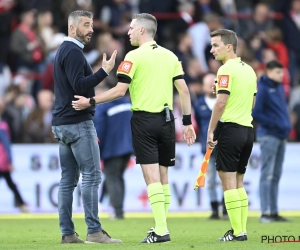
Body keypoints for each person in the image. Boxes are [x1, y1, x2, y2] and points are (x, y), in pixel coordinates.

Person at [72, 13, 197, 243]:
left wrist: (90, 101)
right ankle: (162, 225)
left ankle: (161, 231)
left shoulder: (133, 57)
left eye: (131, 28)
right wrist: (187, 123)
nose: (128, 32)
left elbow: (120, 91)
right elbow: (185, 91)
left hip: (144, 121)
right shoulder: (170, 56)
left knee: (152, 179)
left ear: (142, 30)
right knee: (164, 177)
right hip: (168, 121)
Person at [51, 10, 121, 244]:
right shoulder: (72, 52)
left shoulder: (64, 50)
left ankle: (68, 233)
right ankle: (94, 231)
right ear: (72, 28)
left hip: (63, 123)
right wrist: (104, 71)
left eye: (91, 24)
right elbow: (79, 85)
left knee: (67, 181)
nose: (91, 29)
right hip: (77, 122)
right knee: (91, 177)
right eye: (86, 25)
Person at [207, 29, 257, 241]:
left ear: (229, 46)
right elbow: (252, 101)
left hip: (230, 130)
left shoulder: (225, 70)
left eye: (216, 45)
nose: (212, 50)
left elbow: (221, 102)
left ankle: (238, 232)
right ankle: (241, 229)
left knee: (227, 183)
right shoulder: (249, 69)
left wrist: (211, 129)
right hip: (247, 130)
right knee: (238, 182)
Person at [252, 60, 292, 223]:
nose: (281, 75)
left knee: (275, 175)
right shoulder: (263, 88)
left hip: (281, 135)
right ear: (268, 72)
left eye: (281, 72)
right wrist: (274, 123)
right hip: (269, 135)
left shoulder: (279, 88)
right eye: (277, 72)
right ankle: (265, 212)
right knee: (267, 174)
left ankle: (274, 211)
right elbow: (255, 112)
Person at [194, 73, 228, 220]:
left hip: (224, 145)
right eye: (208, 84)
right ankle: (215, 209)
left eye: (213, 83)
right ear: (203, 86)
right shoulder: (199, 103)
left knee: (226, 178)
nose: (211, 86)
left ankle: (227, 208)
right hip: (207, 147)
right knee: (211, 179)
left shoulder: (224, 101)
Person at [94, 94, 133, 220]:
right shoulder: (128, 103)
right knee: (119, 178)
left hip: (112, 148)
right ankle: (119, 211)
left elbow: (99, 130)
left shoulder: (103, 107)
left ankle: (118, 212)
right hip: (128, 147)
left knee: (112, 178)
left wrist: (97, 151)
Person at [0, 99, 28, 213]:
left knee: (10, 182)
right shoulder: (3, 125)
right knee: (10, 183)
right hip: (2, 159)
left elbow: (6, 144)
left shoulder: (2, 126)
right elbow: (7, 145)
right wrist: (10, 161)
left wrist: (10, 161)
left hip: (1, 160)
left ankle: (22, 203)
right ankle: (22, 204)